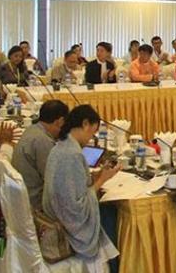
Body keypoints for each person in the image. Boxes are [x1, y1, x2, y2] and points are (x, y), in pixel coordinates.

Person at [42, 105, 119, 265]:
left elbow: (72, 185)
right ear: (85, 124)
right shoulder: (73, 154)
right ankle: (115, 266)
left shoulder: (61, 146)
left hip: (54, 211)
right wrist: (102, 180)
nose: (91, 138)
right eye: (92, 132)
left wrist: (93, 176)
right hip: (66, 223)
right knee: (111, 213)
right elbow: (77, 207)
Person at [12, 100, 69, 211]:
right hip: (36, 202)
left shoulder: (32, 129)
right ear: (60, 121)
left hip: (22, 194)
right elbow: (56, 181)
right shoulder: (43, 141)